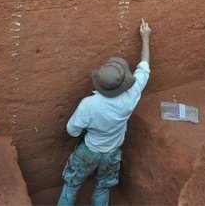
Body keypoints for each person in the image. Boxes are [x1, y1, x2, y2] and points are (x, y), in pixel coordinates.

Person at [57, 19, 152, 206]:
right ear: (123, 83)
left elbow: (72, 130)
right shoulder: (130, 98)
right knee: (103, 187)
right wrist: (146, 38)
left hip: (88, 151)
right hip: (111, 154)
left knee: (71, 185)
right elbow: (144, 68)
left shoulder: (88, 104)